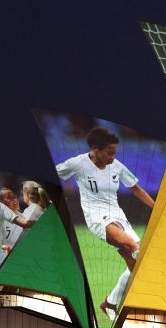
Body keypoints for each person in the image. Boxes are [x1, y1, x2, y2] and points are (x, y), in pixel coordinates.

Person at [56, 127, 155, 316]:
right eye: (109, 153)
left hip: (118, 215)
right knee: (135, 248)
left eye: (114, 153)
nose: (112, 157)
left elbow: (136, 188)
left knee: (137, 264)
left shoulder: (116, 166)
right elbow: (57, 172)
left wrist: (156, 208)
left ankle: (110, 302)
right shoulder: (78, 163)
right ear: (95, 149)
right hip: (96, 218)